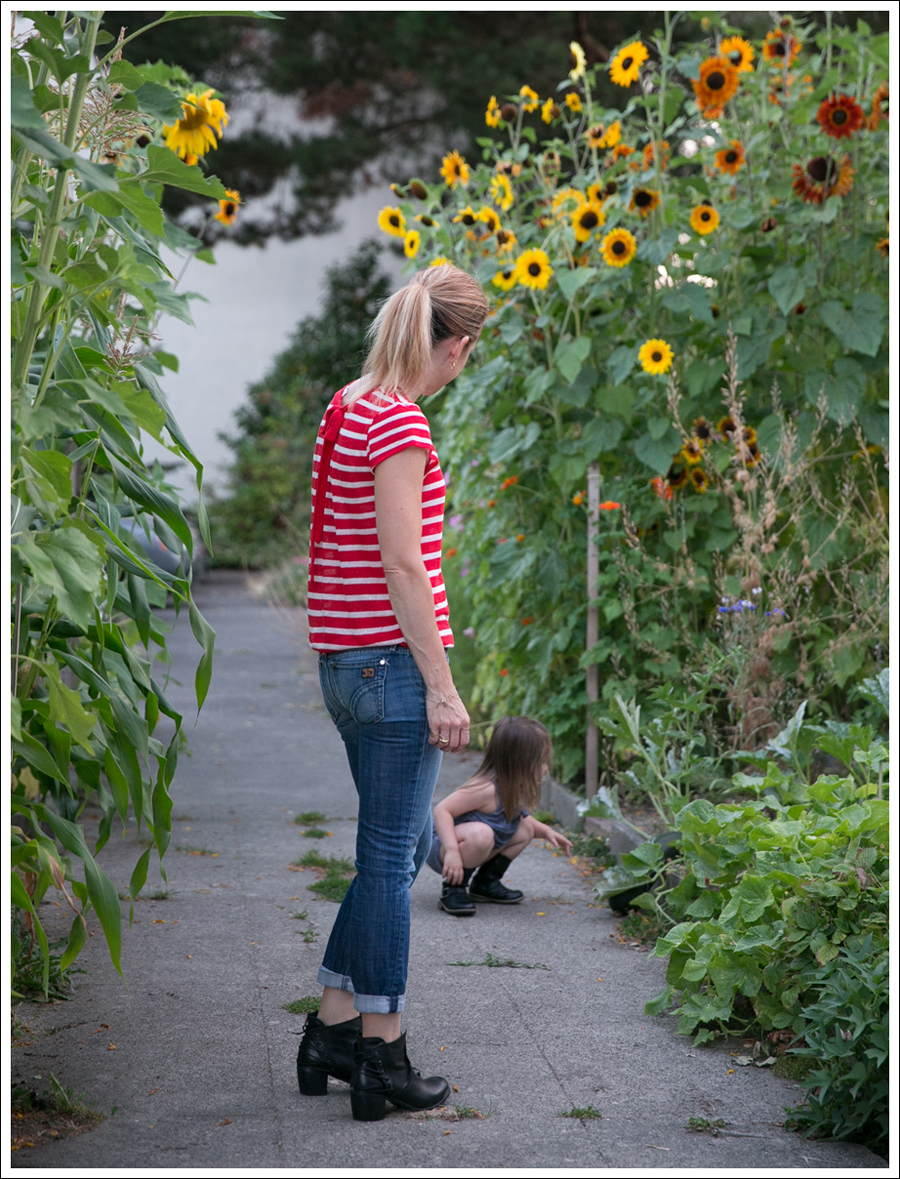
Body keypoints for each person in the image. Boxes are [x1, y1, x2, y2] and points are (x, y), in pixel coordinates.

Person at [296, 263, 489, 1122]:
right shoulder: (402, 423)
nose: (463, 365)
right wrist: (442, 686)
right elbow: (404, 562)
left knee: (388, 849)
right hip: (391, 668)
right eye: (467, 352)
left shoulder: (348, 402)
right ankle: (384, 1053)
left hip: (344, 661)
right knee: (386, 860)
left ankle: (333, 1031)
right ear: (453, 345)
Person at [426, 716, 573, 915]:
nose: (545, 768)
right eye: (540, 762)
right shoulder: (485, 789)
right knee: (482, 834)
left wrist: (547, 832)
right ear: (519, 764)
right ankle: (453, 888)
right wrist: (451, 850)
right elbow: (442, 810)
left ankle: (485, 883)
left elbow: (523, 819)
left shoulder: (513, 787)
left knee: (525, 828)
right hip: (444, 847)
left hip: (471, 845)